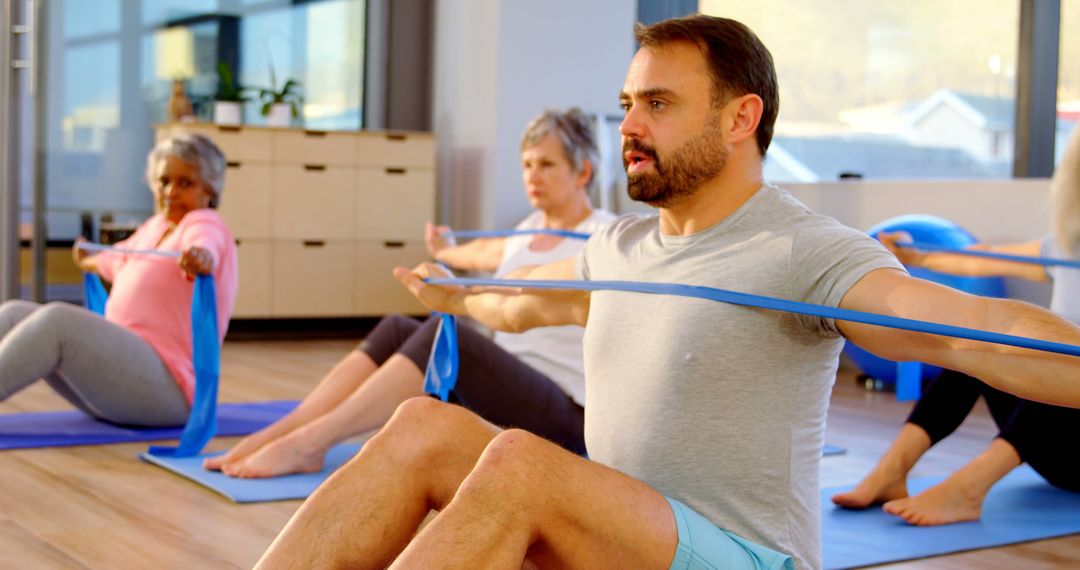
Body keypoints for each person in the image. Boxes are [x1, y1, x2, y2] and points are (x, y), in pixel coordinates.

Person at [255, 16, 1080, 570]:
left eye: (658, 104)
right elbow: (516, 304)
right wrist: (453, 297)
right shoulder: (619, 243)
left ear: (738, 118)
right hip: (627, 536)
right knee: (421, 424)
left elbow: (974, 331)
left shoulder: (803, 247)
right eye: (626, 105)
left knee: (521, 463)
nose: (628, 127)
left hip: (745, 554)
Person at [205, 108, 615, 478]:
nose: (532, 175)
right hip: (509, 389)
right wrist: (445, 250)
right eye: (527, 164)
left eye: (547, 164)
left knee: (446, 331)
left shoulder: (605, 237)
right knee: (399, 327)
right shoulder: (524, 231)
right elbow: (476, 253)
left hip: (563, 412)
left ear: (583, 172)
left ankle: (311, 442)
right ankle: (286, 429)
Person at [831, 125, 1080, 526]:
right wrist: (917, 255)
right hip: (1056, 451)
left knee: (1060, 358)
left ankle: (969, 489)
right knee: (978, 344)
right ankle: (892, 470)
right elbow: (978, 260)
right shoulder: (1066, 246)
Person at [0, 132, 238, 427]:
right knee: (12, 313)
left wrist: (201, 258)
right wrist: (85, 257)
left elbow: (206, 245)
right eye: (164, 181)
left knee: (57, 321)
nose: (171, 192)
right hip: (123, 379)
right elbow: (112, 260)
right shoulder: (156, 227)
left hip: (170, 391)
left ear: (210, 191)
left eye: (185, 183)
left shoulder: (204, 222)